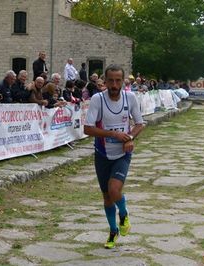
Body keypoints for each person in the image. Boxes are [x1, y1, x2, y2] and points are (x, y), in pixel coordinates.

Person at [84, 64, 144, 249]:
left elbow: (140, 123)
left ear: (123, 81)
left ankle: (124, 215)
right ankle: (112, 231)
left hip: (122, 154)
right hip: (102, 154)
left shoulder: (130, 97)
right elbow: (87, 128)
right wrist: (113, 135)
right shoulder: (97, 99)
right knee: (107, 197)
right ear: (105, 81)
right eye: (111, 80)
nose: (114, 84)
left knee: (114, 190)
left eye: (118, 80)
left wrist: (130, 137)